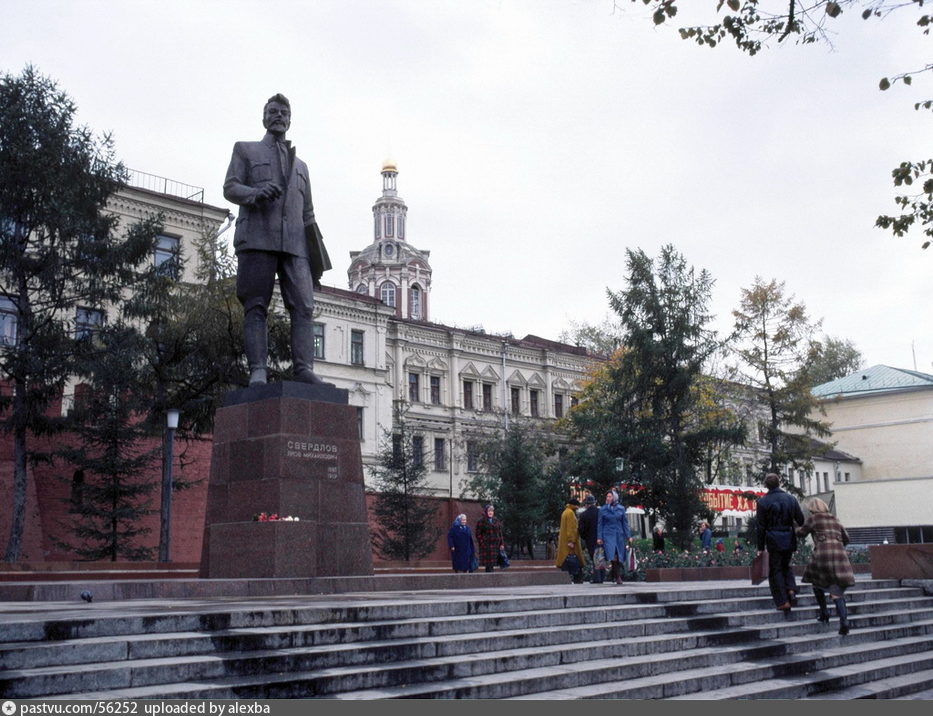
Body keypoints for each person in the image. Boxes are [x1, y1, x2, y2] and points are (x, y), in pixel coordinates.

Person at [223, 93, 332, 387]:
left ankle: (303, 368)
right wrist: (255, 193)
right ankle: (258, 369)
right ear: (264, 117)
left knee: (304, 307)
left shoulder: (302, 167)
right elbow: (230, 187)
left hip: (295, 247)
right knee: (256, 305)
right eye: (273, 111)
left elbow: (308, 215)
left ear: (290, 119)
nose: (279, 116)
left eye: (284, 112)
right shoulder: (245, 150)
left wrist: (316, 261)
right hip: (257, 239)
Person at [797, 497, 857, 635]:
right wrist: (837, 546)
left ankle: (824, 613)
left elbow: (802, 533)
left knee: (816, 583)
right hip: (839, 557)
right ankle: (844, 623)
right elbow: (846, 538)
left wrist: (794, 528)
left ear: (812, 508)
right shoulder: (835, 519)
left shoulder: (814, 519)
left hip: (822, 556)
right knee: (836, 592)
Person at [756, 472, 806, 611]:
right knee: (786, 565)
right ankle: (791, 589)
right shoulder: (791, 499)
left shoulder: (762, 502)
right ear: (779, 483)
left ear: (766, 485)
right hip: (789, 536)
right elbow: (801, 520)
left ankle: (783, 601)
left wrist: (760, 547)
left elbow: (760, 527)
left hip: (773, 538)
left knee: (775, 569)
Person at [597, 489, 631, 585]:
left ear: (614, 497)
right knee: (612, 555)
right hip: (607, 535)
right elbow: (600, 524)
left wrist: (628, 536)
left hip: (619, 535)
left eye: (610, 496)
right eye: (607, 496)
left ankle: (615, 574)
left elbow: (625, 523)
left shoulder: (621, 509)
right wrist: (599, 537)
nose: (608, 498)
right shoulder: (603, 509)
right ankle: (617, 576)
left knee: (620, 555)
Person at [556, 498, 586, 584]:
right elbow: (571, 528)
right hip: (570, 542)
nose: (578, 507)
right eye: (577, 505)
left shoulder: (565, 512)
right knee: (574, 559)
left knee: (565, 559)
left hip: (564, 541)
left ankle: (571, 578)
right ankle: (577, 578)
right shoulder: (570, 514)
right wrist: (571, 541)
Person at [577, 494, 603, 583]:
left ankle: (597, 578)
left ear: (587, 504)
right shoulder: (600, 512)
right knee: (601, 557)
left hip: (590, 540)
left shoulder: (584, 515)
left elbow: (581, 529)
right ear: (594, 503)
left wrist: (585, 537)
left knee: (594, 558)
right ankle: (601, 577)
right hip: (601, 538)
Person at [475, 504, 505, 573]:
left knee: (493, 564)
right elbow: (478, 534)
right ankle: (488, 579)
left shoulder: (496, 520)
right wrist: (482, 543)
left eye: (492, 511)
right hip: (486, 546)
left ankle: (491, 578)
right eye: (489, 511)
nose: (490, 512)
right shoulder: (481, 521)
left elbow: (500, 533)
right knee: (488, 565)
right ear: (486, 511)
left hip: (495, 545)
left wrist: (502, 544)